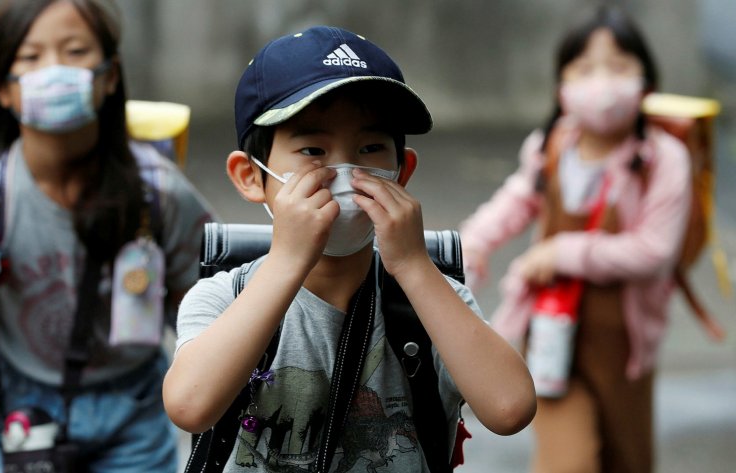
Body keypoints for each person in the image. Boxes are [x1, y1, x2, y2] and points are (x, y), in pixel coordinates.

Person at [163, 25, 536, 472]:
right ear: (250, 176)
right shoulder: (224, 297)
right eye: (313, 149)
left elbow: (510, 408)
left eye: (371, 148)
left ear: (402, 171)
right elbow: (189, 406)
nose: (344, 171)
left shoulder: (430, 302)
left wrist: (414, 265)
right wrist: (286, 260)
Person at [0, 0, 215, 471]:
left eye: (74, 51)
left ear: (110, 76)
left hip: (133, 416)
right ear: (3, 89)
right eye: (30, 58)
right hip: (16, 413)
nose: (53, 71)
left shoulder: (161, 196)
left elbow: (205, 321)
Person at [458, 6, 691, 473]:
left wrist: (562, 253)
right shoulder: (551, 146)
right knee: (570, 462)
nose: (602, 83)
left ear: (646, 81)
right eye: (585, 68)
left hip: (624, 348)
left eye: (619, 66)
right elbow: (514, 201)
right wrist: (469, 246)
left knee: (629, 459)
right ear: (561, 86)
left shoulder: (664, 158)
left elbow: (655, 250)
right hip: (548, 337)